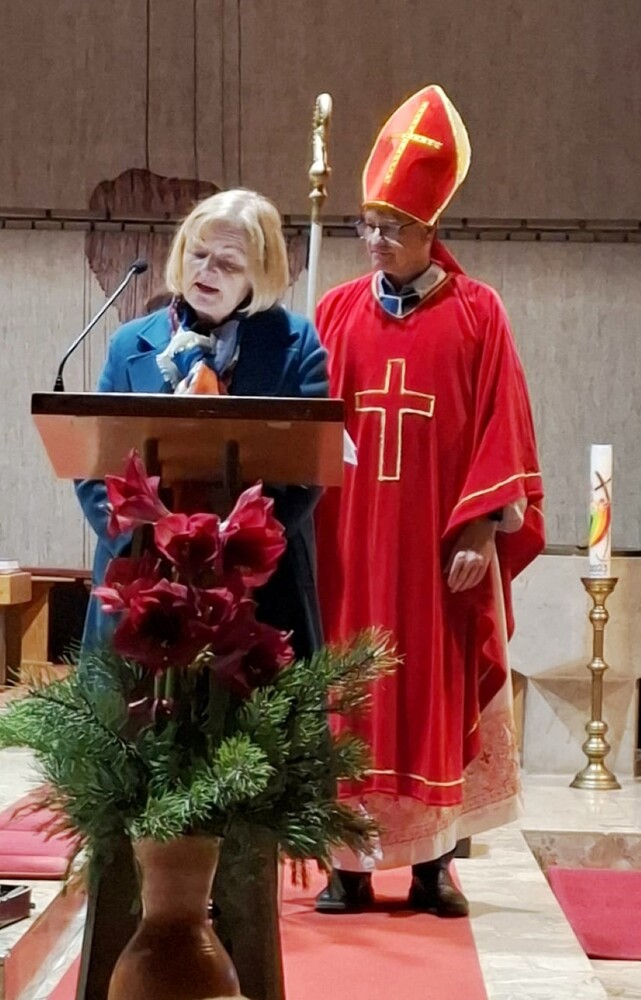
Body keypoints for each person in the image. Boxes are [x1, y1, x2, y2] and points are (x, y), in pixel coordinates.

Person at [314, 85, 544, 915]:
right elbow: (305, 427)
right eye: (367, 224)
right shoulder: (334, 313)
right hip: (349, 544)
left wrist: (480, 529)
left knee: (430, 690)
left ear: (429, 228)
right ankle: (345, 866)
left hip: (437, 549)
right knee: (349, 695)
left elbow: (502, 428)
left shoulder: (478, 314)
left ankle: (431, 865)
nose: (376, 241)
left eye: (392, 227)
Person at [76, 188, 328, 661]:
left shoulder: (297, 346)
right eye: (198, 254)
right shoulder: (130, 344)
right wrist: (144, 542)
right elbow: (93, 469)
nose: (206, 270)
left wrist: (237, 554)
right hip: (143, 578)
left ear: (260, 273)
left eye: (228, 263)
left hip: (260, 592)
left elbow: (307, 473)